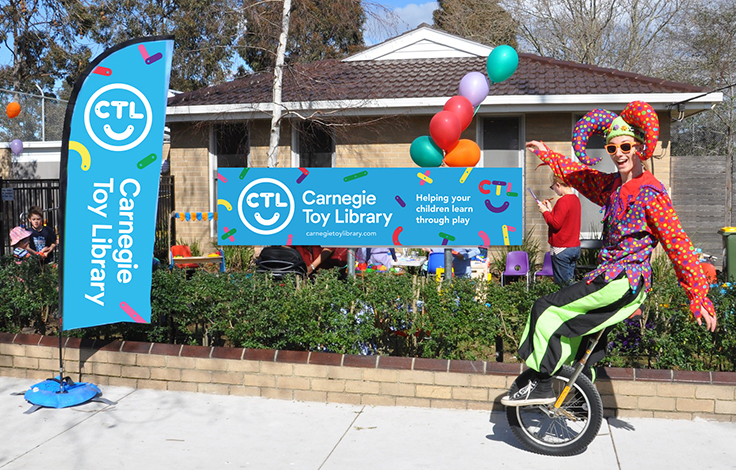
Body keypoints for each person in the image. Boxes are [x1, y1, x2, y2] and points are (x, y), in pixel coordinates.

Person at [502, 101, 717, 406]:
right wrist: (549, 154)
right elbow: (581, 175)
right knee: (574, 331)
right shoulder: (613, 187)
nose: (619, 154)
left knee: (545, 309)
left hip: (624, 279)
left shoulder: (651, 195)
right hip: (610, 276)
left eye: (626, 146)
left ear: (640, 147)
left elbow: (677, 245)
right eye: (612, 149)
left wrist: (698, 295)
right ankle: (573, 397)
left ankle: (541, 383)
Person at [538, 175, 581, 285]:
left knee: (563, 285)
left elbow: (555, 224)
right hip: (574, 246)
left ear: (558, 184)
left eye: (553, 188)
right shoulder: (576, 199)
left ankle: (567, 302)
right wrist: (551, 210)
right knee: (570, 280)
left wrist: (544, 212)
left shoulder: (563, 201)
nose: (554, 191)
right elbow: (564, 220)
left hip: (562, 248)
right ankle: (573, 300)